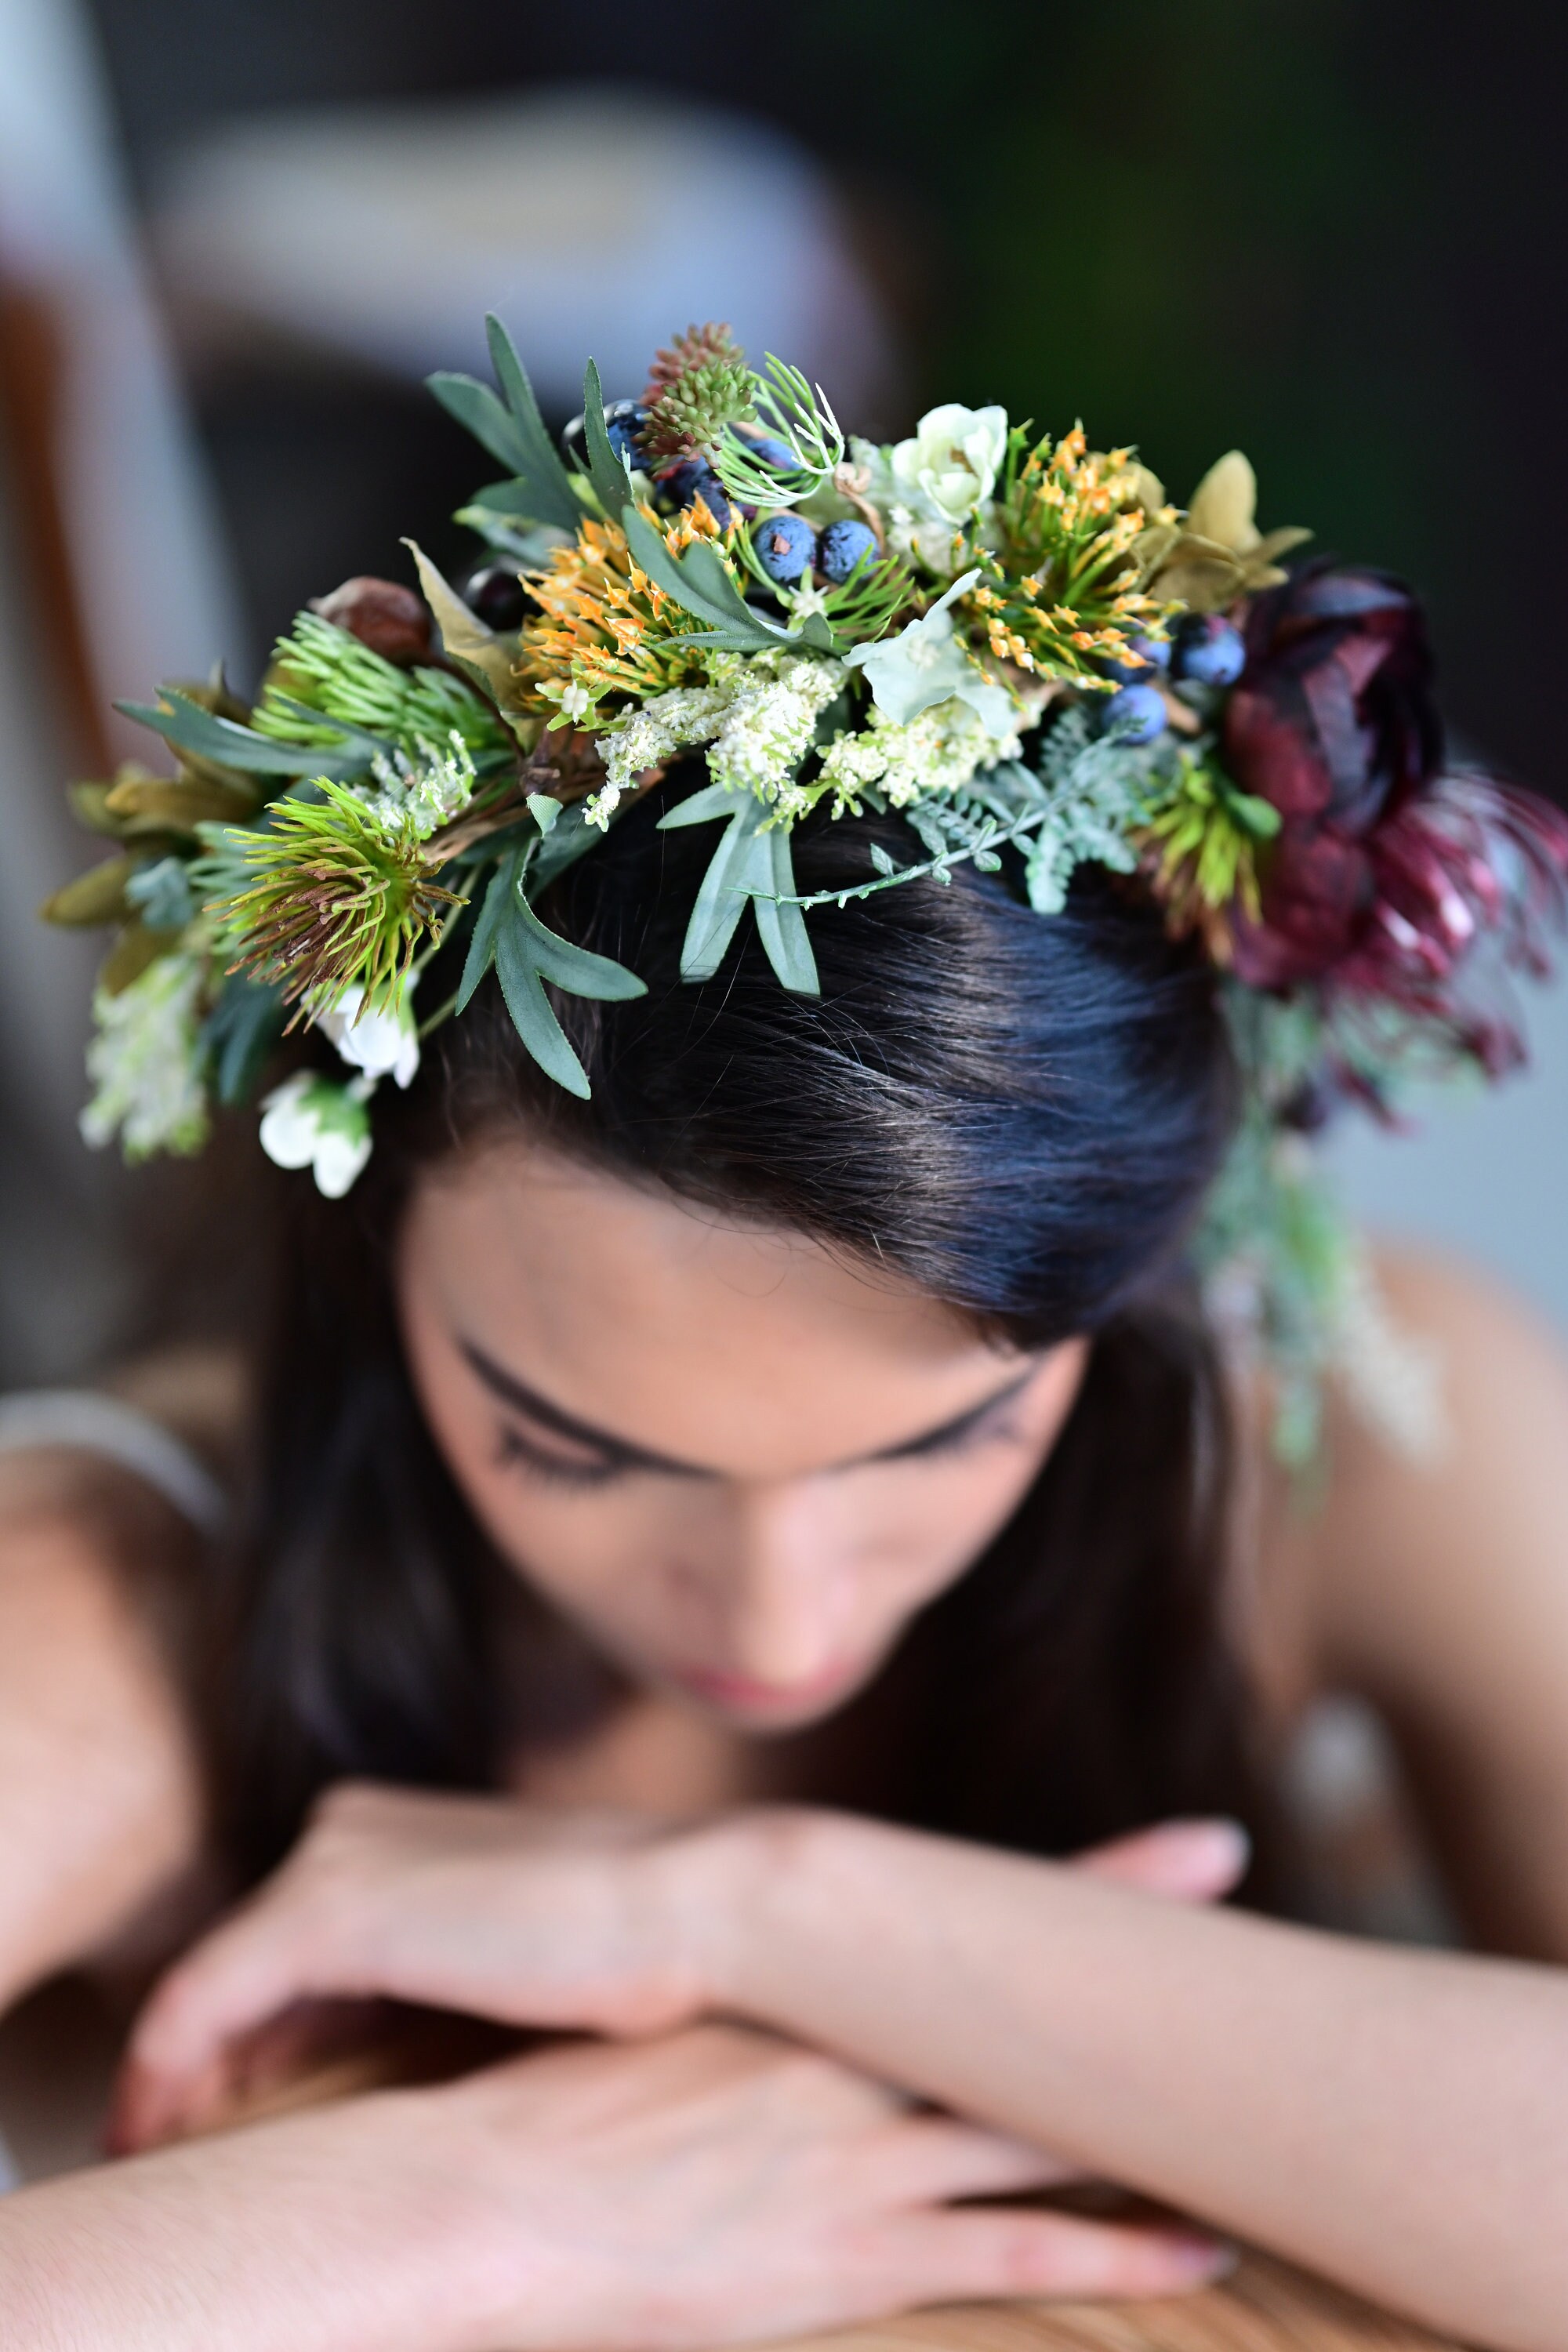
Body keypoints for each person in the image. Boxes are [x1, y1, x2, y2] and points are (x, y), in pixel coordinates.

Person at [4, 315, 1568, 2352]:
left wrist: (767, 1908)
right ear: (367, 1252)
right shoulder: (121, 1601)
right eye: (574, 1446)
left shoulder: (1357, 1423)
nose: (781, 1613)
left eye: (938, 1447)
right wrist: (466, 2213)